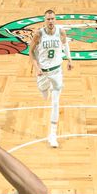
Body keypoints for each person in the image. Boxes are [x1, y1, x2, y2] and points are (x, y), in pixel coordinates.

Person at [28, 9, 73, 148]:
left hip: (57, 71)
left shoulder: (61, 31)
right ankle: (43, 87)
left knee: (55, 103)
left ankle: (52, 135)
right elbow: (30, 52)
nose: (51, 21)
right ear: (44, 20)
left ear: (55, 19)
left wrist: (70, 59)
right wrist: (36, 68)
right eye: (48, 19)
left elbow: (65, 44)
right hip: (43, 73)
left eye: (53, 18)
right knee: (44, 94)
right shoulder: (39, 34)